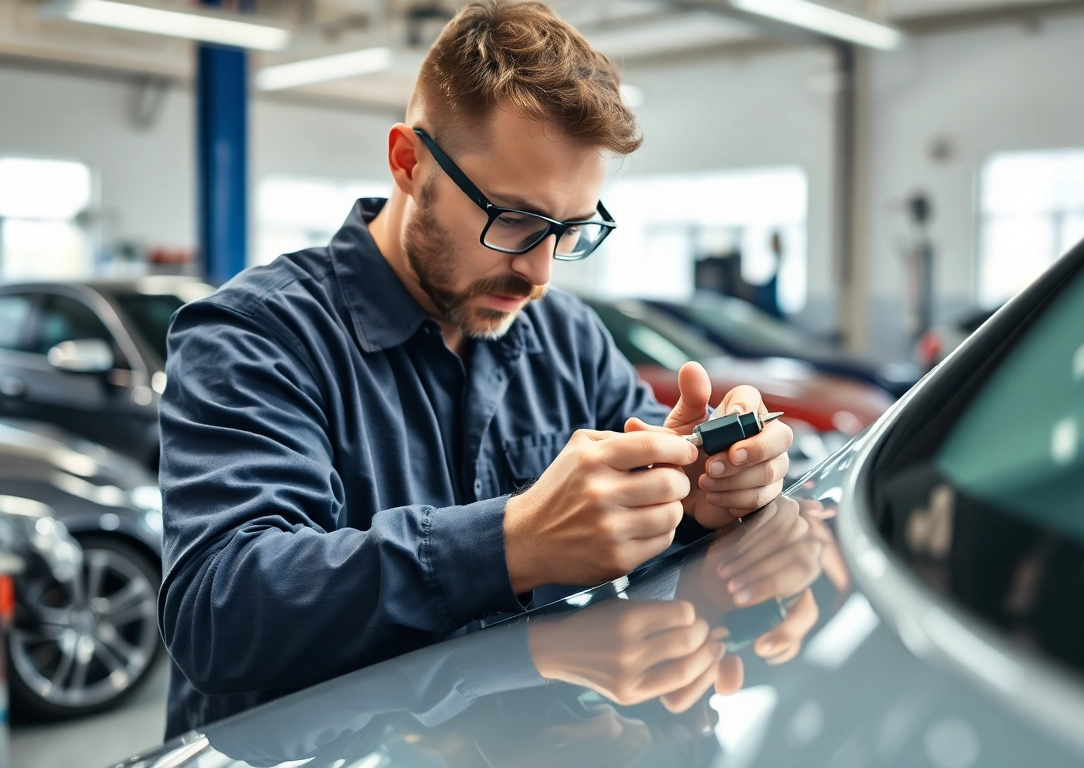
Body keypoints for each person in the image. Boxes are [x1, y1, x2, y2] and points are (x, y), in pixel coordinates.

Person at [157, 0, 792, 738]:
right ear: (408, 162)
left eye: (570, 231)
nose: (540, 273)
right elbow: (220, 612)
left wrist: (695, 499)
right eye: (515, 220)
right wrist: (510, 541)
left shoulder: (568, 338)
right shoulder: (251, 336)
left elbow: (646, 530)